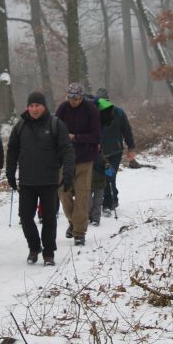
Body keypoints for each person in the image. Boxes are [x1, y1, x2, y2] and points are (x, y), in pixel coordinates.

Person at [6, 92, 75, 266]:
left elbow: (67, 150)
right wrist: (10, 172)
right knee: (25, 217)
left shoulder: (55, 124)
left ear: (44, 107)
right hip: (27, 181)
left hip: (49, 180)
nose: (35, 109)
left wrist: (68, 173)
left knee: (49, 218)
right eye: (32, 106)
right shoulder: (20, 126)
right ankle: (34, 247)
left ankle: (49, 252)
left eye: (38, 105)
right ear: (27, 107)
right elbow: (12, 151)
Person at [54, 83, 101, 246]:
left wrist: (76, 138)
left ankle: (79, 232)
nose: (73, 101)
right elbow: (54, 129)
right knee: (63, 192)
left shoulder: (91, 110)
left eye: (76, 99)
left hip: (85, 158)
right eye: (70, 98)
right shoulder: (62, 109)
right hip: (64, 159)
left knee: (82, 195)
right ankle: (73, 222)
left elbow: (96, 136)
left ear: (81, 97)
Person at [93, 88, 135, 219]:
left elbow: (127, 130)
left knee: (109, 176)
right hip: (98, 152)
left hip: (115, 151)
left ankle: (107, 204)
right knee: (103, 178)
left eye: (104, 100)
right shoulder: (93, 113)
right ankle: (112, 199)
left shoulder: (118, 112)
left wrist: (131, 148)